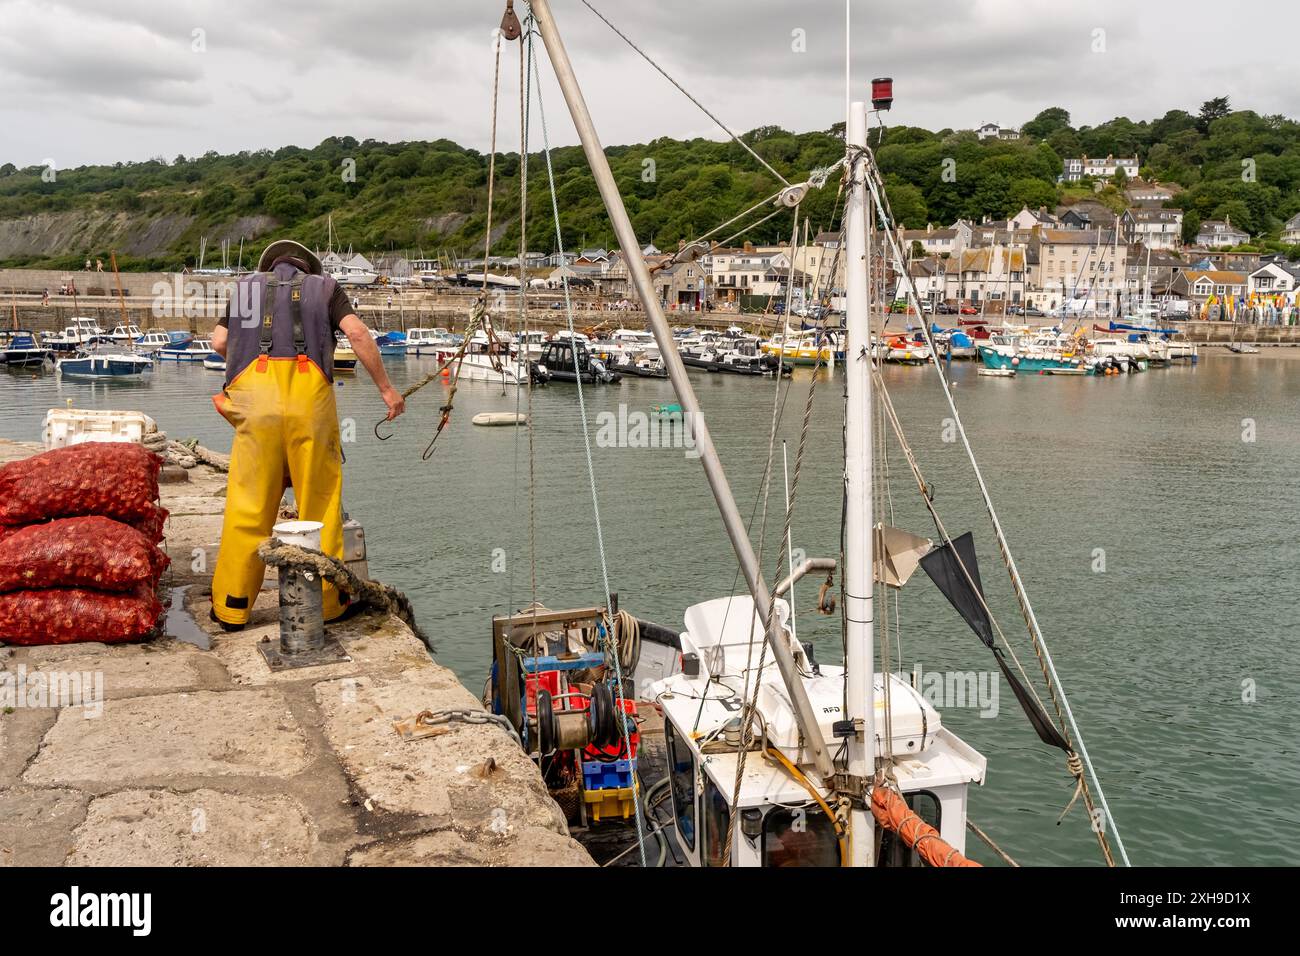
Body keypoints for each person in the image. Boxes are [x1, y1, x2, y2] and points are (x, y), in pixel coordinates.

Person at [208, 239, 404, 631]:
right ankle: (329, 605)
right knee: (320, 503)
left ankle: (232, 607)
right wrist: (386, 389)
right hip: (309, 408)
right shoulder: (327, 288)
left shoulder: (244, 289)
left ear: (269, 265)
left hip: (256, 410)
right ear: (308, 268)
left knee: (248, 507)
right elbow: (359, 335)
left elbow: (218, 343)